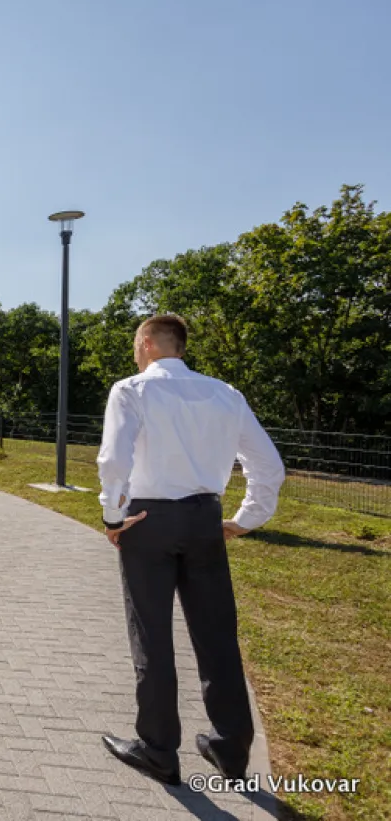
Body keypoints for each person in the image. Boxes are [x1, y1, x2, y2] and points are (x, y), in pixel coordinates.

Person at [95, 314, 285, 787]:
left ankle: (159, 749)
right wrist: (246, 518)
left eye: (135, 345)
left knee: (152, 634)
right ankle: (231, 748)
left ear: (146, 343)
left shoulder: (131, 390)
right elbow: (268, 464)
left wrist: (113, 516)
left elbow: (114, 460)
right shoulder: (226, 394)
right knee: (217, 633)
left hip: (147, 522)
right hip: (204, 518)